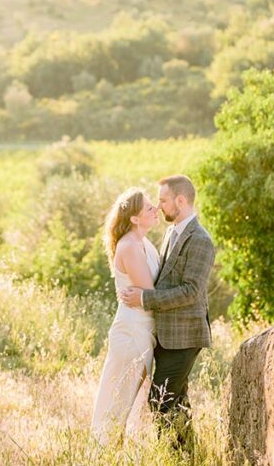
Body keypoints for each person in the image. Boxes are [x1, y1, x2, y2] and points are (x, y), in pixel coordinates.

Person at [118, 174, 215, 452]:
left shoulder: (201, 240)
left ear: (181, 201)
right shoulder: (172, 232)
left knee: (161, 401)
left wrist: (145, 299)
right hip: (167, 334)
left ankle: (174, 455)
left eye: (162, 200)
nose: (158, 207)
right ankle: (189, 455)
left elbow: (191, 292)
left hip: (185, 336)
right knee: (177, 400)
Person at [90, 187, 162, 444]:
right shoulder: (130, 246)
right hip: (132, 332)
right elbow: (150, 293)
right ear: (134, 219)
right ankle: (104, 456)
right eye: (149, 208)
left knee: (132, 405)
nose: (156, 210)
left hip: (143, 330)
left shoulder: (144, 243)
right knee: (118, 405)